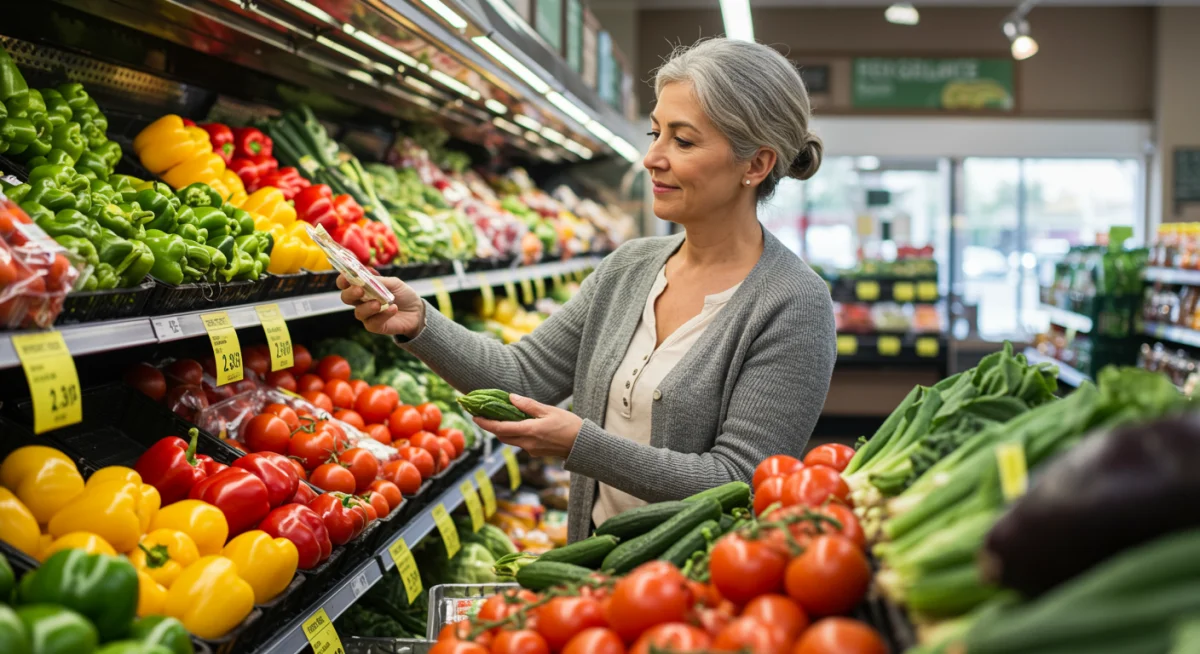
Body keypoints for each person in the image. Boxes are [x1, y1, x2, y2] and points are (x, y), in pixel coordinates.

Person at [339, 37, 836, 542]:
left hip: (694, 593)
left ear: (755, 165)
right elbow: (523, 376)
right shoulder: (629, 268)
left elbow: (738, 482)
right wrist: (420, 322)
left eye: (682, 141)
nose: (651, 158)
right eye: (655, 133)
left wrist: (581, 444)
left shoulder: (793, 304)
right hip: (589, 575)